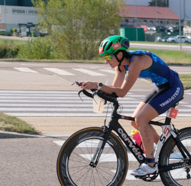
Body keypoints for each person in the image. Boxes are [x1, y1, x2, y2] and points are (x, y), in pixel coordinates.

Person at [78, 35, 184, 177]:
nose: (106, 61)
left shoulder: (137, 62)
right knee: (135, 121)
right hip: (161, 87)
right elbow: (115, 87)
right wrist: (96, 89)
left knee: (141, 119)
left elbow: (122, 92)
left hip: (172, 87)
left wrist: (98, 84)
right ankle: (165, 149)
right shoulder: (121, 65)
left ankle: (151, 164)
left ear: (120, 54)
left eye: (108, 57)